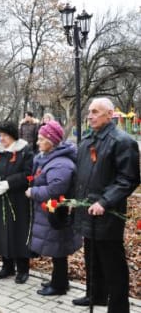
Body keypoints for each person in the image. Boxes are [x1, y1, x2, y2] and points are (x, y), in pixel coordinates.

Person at [72, 98, 140, 312]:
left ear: (109, 114)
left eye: (95, 112)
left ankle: (119, 306)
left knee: (112, 263)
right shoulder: (86, 140)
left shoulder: (122, 141)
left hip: (108, 212)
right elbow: (80, 174)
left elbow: (128, 179)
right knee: (91, 256)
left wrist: (105, 201)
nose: (90, 116)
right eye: (89, 112)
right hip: (87, 210)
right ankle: (96, 295)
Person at [25, 120, 82, 296]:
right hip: (49, 211)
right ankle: (58, 281)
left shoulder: (61, 163)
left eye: (41, 139)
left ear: (51, 141)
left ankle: (59, 286)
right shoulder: (48, 158)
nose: (37, 142)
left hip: (56, 212)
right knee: (57, 249)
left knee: (58, 249)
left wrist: (33, 191)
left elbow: (55, 189)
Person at [0, 122, 33, 283]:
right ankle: (7, 266)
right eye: (0, 135)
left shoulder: (24, 151)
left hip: (17, 200)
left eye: (5, 135)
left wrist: (8, 183)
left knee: (18, 233)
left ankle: (23, 269)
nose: (2, 138)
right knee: (2, 232)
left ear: (13, 136)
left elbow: (27, 173)